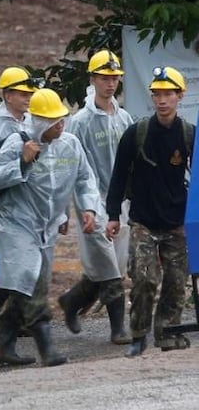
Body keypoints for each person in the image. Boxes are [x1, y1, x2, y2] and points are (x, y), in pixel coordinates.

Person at [0, 89, 99, 367]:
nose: (60, 125)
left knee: (29, 285)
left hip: (46, 227)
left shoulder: (70, 145)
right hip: (16, 224)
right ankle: (47, 348)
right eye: (53, 121)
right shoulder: (18, 142)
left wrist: (88, 208)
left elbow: (85, 179)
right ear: (38, 122)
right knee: (32, 280)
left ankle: (2, 341)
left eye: (61, 120)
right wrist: (22, 161)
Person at [106, 66, 192, 357]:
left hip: (177, 221)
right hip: (143, 219)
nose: (162, 100)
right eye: (157, 94)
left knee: (176, 282)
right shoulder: (136, 133)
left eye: (168, 94)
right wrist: (113, 215)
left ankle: (167, 333)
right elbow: (118, 176)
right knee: (144, 278)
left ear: (180, 96)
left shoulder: (189, 135)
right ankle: (139, 334)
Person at [60, 50, 133, 345]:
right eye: (105, 77)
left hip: (121, 202)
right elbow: (73, 167)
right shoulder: (80, 121)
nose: (110, 83)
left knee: (113, 264)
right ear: (93, 79)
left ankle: (71, 300)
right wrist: (71, 208)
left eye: (114, 77)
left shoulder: (124, 117)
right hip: (92, 199)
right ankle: (118, 329)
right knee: (108, 266)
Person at [0, 66, 42, 329]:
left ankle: (4, 312)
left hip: (27, 205)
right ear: (7, 95)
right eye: (21, 93)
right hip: (1, 206)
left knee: (22, 264)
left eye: (29, 93)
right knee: (14, 265)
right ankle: (12, 319)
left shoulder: (31, 124)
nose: (27, 97)